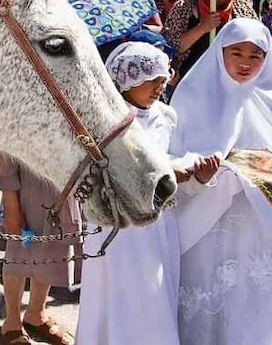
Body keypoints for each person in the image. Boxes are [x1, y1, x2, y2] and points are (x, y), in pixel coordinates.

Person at [76, 42, 202, 345]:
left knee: (154, 287)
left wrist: (188, 168)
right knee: (118, 289)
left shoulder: (167, 116)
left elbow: (176, 154)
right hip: (119, 225)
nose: (161, 85)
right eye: (152, 78)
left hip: (158, 225)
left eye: (163, 77)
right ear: (128, 79)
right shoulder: (106, 121)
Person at [168, 19, 272, 344]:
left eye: (256, 55)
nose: (245, 63)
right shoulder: (192, 96)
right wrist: (199, 177)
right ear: (220, 53)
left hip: (261, 227)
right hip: (208, 225)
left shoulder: (271, 98)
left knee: (254, 299)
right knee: (211, 295)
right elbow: (172, 160)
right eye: (236, 52)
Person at [0, 150, 80, 345]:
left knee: (50, 249)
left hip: (62, 184)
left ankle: (36, 313)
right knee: (18, 253)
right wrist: (10, 201)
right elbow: (4, 151)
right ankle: (12, 322)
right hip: (26, 184)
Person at [163, 0, 256, 79]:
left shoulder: (243, 9)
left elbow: (257, 43)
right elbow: (171, 46)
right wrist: (202, 28)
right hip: (188, 80)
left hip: (230, 82)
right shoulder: (184, 7)